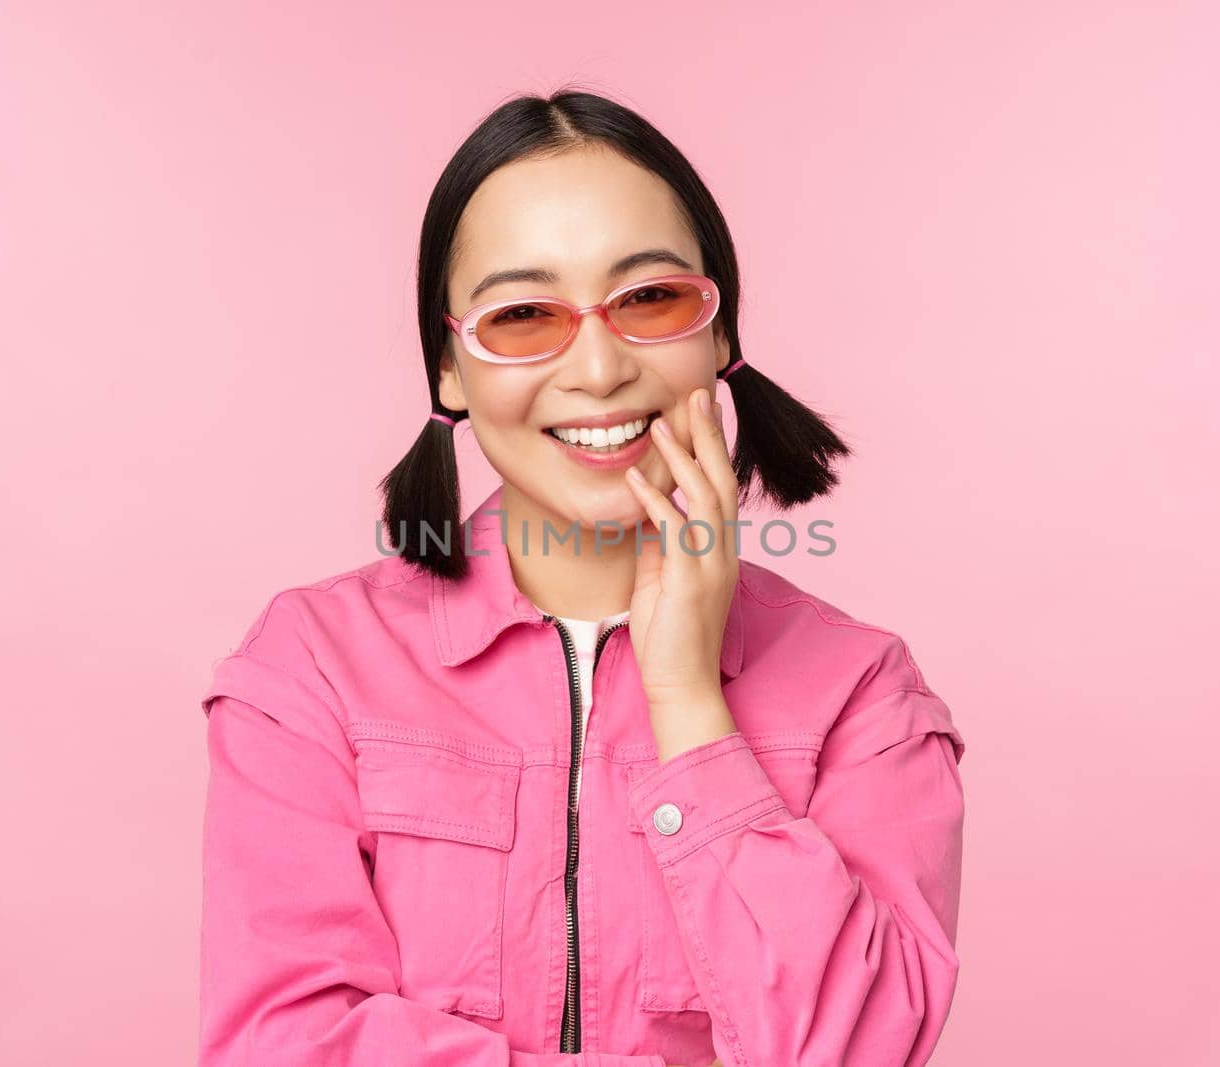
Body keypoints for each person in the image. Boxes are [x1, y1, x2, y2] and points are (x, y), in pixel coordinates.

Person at [198, 89, 967, 1067]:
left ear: (719, 334)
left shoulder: (861, 692)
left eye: (649, 298)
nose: (598, 367)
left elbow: (861, 1048)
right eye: (522, 315)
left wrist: (688, 700)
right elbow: (279, 1042)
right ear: (447, 367)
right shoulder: (310, 669)